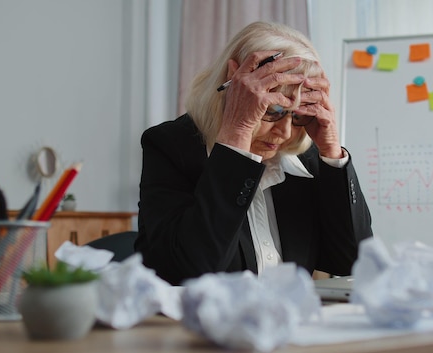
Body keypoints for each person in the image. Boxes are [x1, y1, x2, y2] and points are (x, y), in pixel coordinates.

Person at [134, 21, 373, 285]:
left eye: (298, 115)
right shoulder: (170, 146)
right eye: (273, 111)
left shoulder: (302, 157)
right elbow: (190, 269)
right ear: (234, 85)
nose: (283, 133)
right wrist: (238, 135)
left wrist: (331, 152)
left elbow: (351, 261)